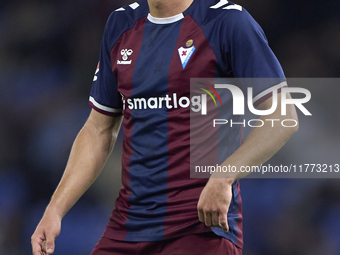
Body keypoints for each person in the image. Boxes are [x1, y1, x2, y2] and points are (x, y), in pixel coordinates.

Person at [31, 0, 298, 254]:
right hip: (128, 226)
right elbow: (98, 130)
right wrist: (55, 209)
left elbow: (283, 117)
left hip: (201, 228)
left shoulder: (227, 21)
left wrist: (224, 175)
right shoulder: (120, 24)